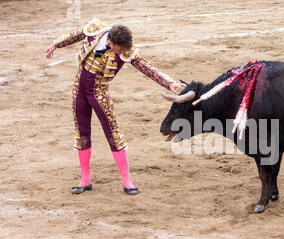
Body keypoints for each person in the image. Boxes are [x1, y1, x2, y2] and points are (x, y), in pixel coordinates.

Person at [45, 18, 186, 195]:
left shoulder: (125, 50)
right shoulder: (95, 30)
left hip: (99, 93)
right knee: (82, 133)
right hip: (79, 91)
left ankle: (127, 182)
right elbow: (77, 34)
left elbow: (145, 66)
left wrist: (169, 83)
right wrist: (56, 44)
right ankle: (85, 180)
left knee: (113, 133)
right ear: (111, 42)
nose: (124, 52)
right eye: (121, 48)